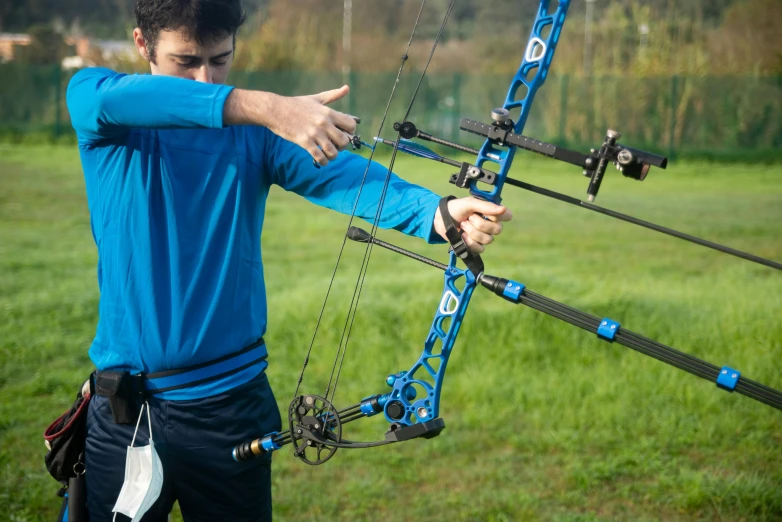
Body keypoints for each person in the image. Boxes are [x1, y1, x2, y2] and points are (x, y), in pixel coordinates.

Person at [65, 0, 512, 520]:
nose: (206, 80)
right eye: (185, 62)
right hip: (128, 413)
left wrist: (438, 212)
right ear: (142, 44)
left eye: (220, 59)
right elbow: (120, 100)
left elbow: (346, 178)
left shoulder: (253, 134)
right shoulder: (100, 106)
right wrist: (271, 107)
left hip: (233, 408)